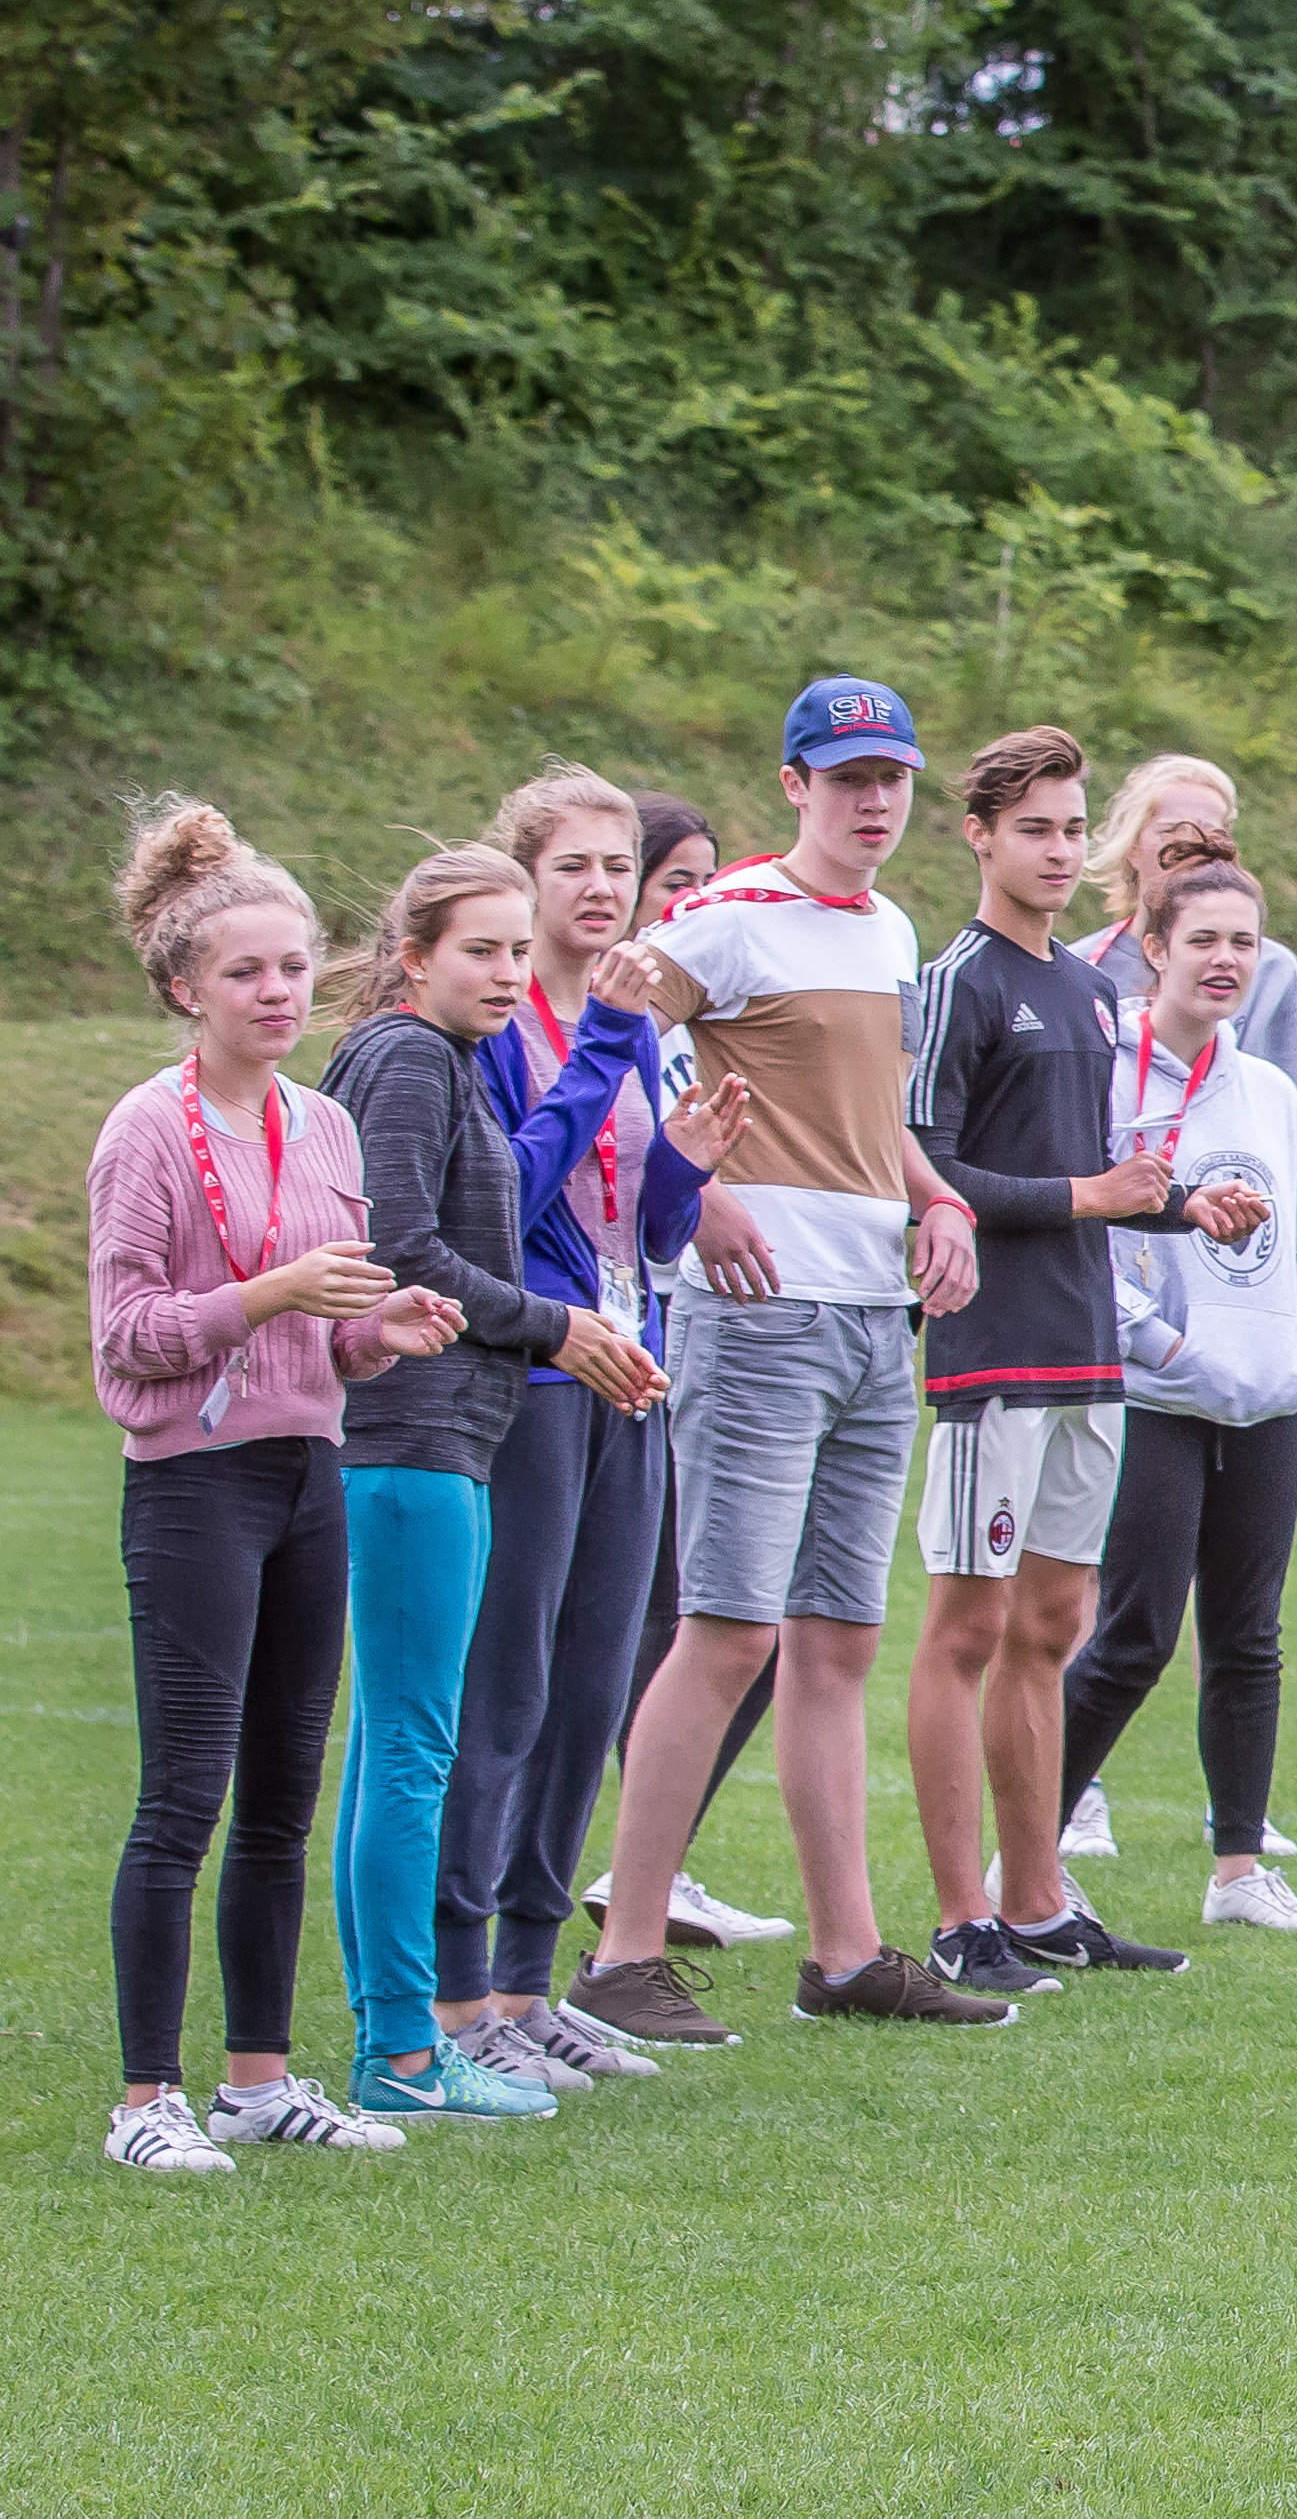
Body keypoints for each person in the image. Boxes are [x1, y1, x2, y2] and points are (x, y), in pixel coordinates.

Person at [564, 676, 1009, 2044]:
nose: (874, 801)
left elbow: (874, 1127)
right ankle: (625, 1950)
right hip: (756, 1321)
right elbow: (604, 1033)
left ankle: (846, 1952)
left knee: (836, 1642)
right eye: (848, 776)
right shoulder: (725, 917)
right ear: (794, 784)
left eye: (894, 778)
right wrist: (685, 1188)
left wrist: (939, 1202)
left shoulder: (886, 928)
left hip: (876, 1317)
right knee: (728, 1633)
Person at [87, 803, 466, 2174]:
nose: (279, 992)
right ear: (187, 985)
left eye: (297, 966)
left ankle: (258, 2078)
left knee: (282, 1798)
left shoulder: (325, 1126)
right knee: (182, 1795)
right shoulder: (146, 1129)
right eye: (248, 971)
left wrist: (380, 1327)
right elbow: (127, 1337)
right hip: (193, 1486)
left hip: (310, 1471)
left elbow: (334, 1337)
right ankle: (145, 2097)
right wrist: (265, 1295)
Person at [903, 725, 1260, 1989]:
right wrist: (1095, 1193)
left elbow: (1093, 1181)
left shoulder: (1085, 987)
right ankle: (960, 1917)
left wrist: (1176, 1204)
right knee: (965, 1626)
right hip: (987, 1349)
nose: (1056, 851)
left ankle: (1039, 1897)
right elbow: (927, 1165)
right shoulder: (957, 978)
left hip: (1086, 1347)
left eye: (1070, 828)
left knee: (1052, 1623)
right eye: (1035, 829)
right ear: (982, 838)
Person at [321, 843, 667, 2122]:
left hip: (445, 1434)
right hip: (410, 1434)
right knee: (415, 1742)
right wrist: (551, 1324)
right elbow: (400, 1247)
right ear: (413, 957)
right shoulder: (407, 1057)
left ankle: (403, 2037)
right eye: (483, 949)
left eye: (520, 951)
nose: (510, 972)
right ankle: (407, 2050)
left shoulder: (448, 1059)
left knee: (402, 1743)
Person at [432, 771, 753, 2097]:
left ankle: (527, 1983)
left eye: (620, 863)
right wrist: (612, 1042)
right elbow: (506, 1196)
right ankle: (457, 2004)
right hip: (537, 1382)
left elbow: (643, 1231)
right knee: (506, 1690)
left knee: (589, 1693)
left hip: (633, 1374)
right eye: (573, 864)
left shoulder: (637, 1026)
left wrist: (681, 1162)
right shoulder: (515, 1025)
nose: (604, 887)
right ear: (526, 879)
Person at [1056, 863, 1297, 1933]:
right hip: (1152, 1398)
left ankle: (1237, 1871)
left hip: (1268, 1401)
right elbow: (1086, 1238)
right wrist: (1164, 1342)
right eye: (1206, 939)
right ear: (1155, 947)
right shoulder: (1103, 1076)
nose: (1227, 959)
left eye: (1246, 941)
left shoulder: (1269, 1091)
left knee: (1249, 1636)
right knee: (1132, 1635)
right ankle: (1027, 1861)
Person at [590, 789, 797, 1951]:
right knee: (677, 1622)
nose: (689, 904)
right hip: (625, 1340)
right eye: (673, 883)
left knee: (726, 1622)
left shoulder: (693, 1022)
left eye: (697, 883)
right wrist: (693, 1191)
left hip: (682, 1342)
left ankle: (650, 1865)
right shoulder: (612, 1020)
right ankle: (628, 1879)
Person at [1073, 754, 1297, 1104]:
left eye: (1210, 833)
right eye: (1172, 831)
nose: (1190, 848)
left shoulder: (1273, 971)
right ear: (1133, 848)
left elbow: (1296, 1122)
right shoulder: (1079, 969)